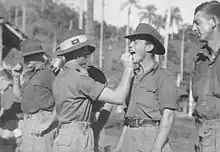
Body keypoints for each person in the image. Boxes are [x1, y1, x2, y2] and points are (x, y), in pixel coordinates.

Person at [36, 29, 134, 152]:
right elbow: (118, 98)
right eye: (85, 51)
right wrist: (128, 69)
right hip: (77, 137)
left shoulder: (61, 77)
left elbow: (62, 106)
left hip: (64, 136)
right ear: (77, 54)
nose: (88, 54)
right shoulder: (80, 79)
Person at [116, 23, 177, 152]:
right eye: (131, 42)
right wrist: (119, 147)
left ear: (149, 47)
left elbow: (168, 116)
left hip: (151, 138)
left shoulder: (163, 76)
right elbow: (128, 119)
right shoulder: (131, 76)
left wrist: (157, 148)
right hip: (129, 139)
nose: (130, 45)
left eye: (136, 42)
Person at [12, 39, 56, 152]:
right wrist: (16, 78)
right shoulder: (29, 75)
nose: (25, 61)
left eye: (28, 57)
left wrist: (48, 122)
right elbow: (18, 97)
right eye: (24, 58)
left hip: (42, 120)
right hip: (28, 122)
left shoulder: (48, 72)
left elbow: (62, 100)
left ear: (39, 56)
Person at [192, 1, 220, 152]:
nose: (193, 28)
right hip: (201, 134)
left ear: (213, 22)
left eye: (198, 23)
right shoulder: (199, 60)